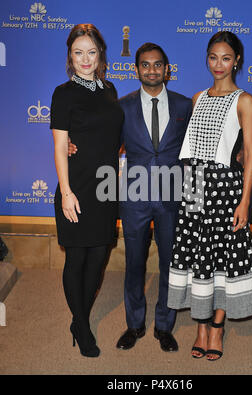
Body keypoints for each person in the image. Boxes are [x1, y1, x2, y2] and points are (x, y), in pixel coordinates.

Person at [69, 42, 192, 352]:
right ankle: (134, 324)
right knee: (134, 264)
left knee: (169, 264)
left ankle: (164, 326)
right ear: (136, 69)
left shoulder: (183, 106)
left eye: (157, 64)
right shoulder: (121, 107)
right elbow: (104, 143)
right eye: (145, 65)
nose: (151, 70)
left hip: (172, 197)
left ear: (167, 69)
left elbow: (197, 148)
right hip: (135, 197)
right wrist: (73, 145)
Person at [167, 31, 252, 361]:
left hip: (225, 189)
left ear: (237, 61)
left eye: (226, 58)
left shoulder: (245, 101)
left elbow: (249, 154)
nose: (219, 64)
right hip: (193, 185)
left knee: (220, 257)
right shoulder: (197, 97)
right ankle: (200, 325)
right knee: (196, 257)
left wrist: (245, 201)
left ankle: (216, 329)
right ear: (207, 59)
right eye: (213, 57)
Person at [50, 24, 124, 358]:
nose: (85, 59)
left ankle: (79, 318)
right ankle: (81, 325)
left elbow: (112, 135)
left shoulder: (110, 89)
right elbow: (60, 144)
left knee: (98, 258)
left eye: (91, 52)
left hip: (106, 187)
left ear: (101, 55)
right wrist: (66, 192)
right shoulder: (63, 93)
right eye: (78, 52)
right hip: (76, 187)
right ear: (70, 55)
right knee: (77, 257)